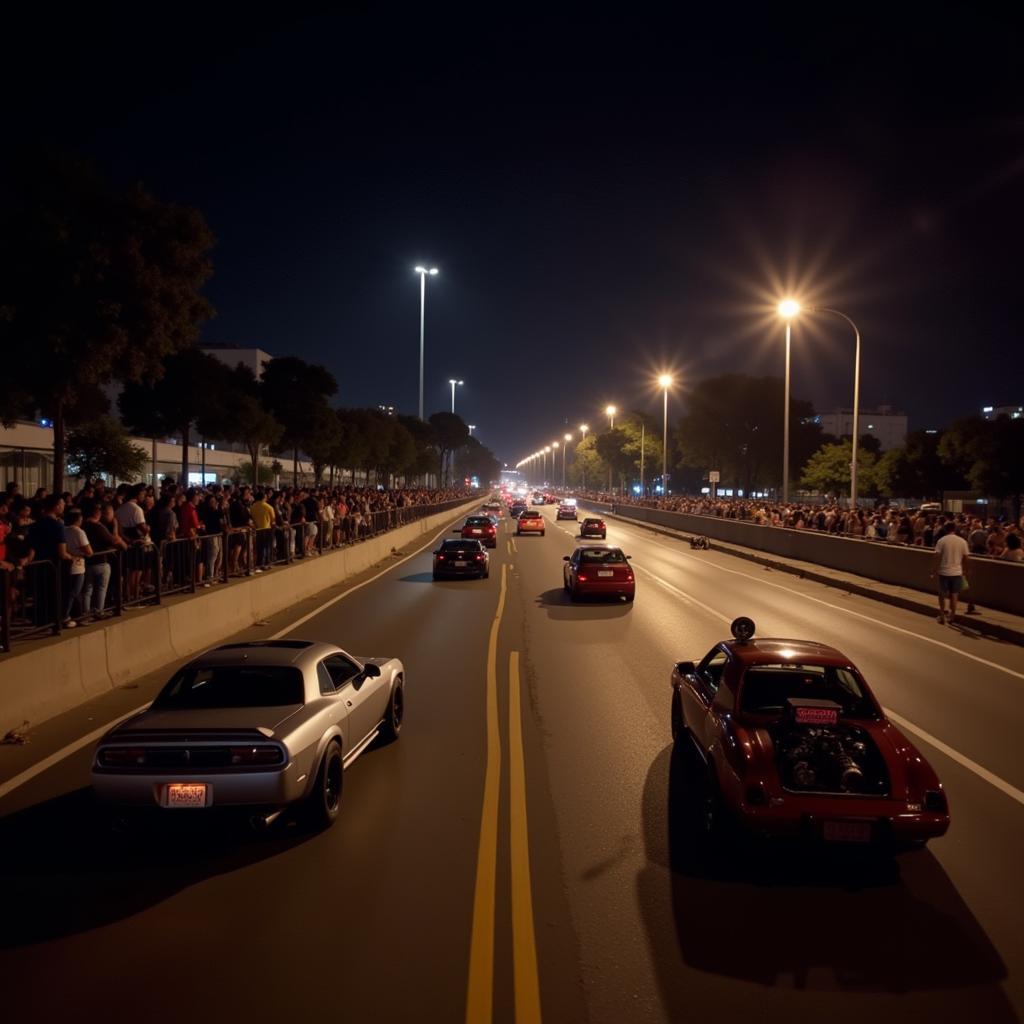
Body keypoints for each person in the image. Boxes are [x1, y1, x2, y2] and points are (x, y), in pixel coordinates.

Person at [933, 521, 970, 625]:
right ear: (955, 529)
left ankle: (942, 615)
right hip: (957, 572)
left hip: (944, 571)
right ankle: (952, 615)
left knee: (942, 594)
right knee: (954, 595)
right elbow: (966, 557)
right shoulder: (962, 541)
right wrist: (966, 571)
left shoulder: (942, 541)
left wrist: (933, 569)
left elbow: (936, 556)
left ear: (945, 529)